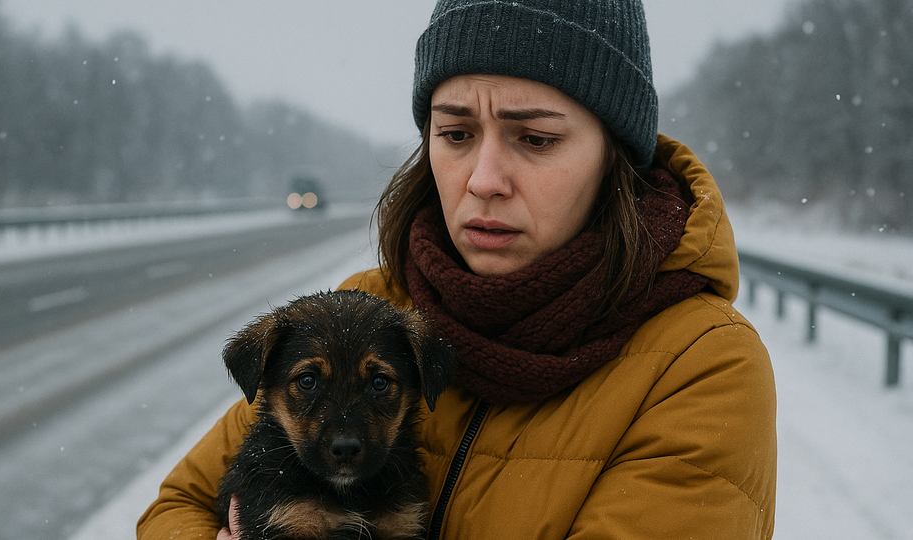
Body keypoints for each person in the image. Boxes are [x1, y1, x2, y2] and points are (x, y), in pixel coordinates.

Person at [137, 0, 778, 538]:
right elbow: (175, 510)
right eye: (455, 134)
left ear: (614, 156)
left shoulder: (701, 367)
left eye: (536, 139)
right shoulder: (370, 310)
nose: (483, 180)